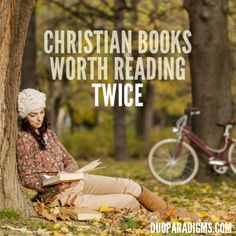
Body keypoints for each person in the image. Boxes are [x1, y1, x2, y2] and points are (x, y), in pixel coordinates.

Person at [16, 88, 198, 219]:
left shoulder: (50, 134)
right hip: (59, 196)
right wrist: (53, 184)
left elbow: (69, 159)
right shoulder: (24, 139)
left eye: (41, 112)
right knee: (129, 201)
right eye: (33, 115)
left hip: (77, 181)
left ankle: (172, 212)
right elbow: (26, 178)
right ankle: (167, 218)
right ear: (25, 116)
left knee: (131, 185)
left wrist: (69, 174)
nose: (39, 118)